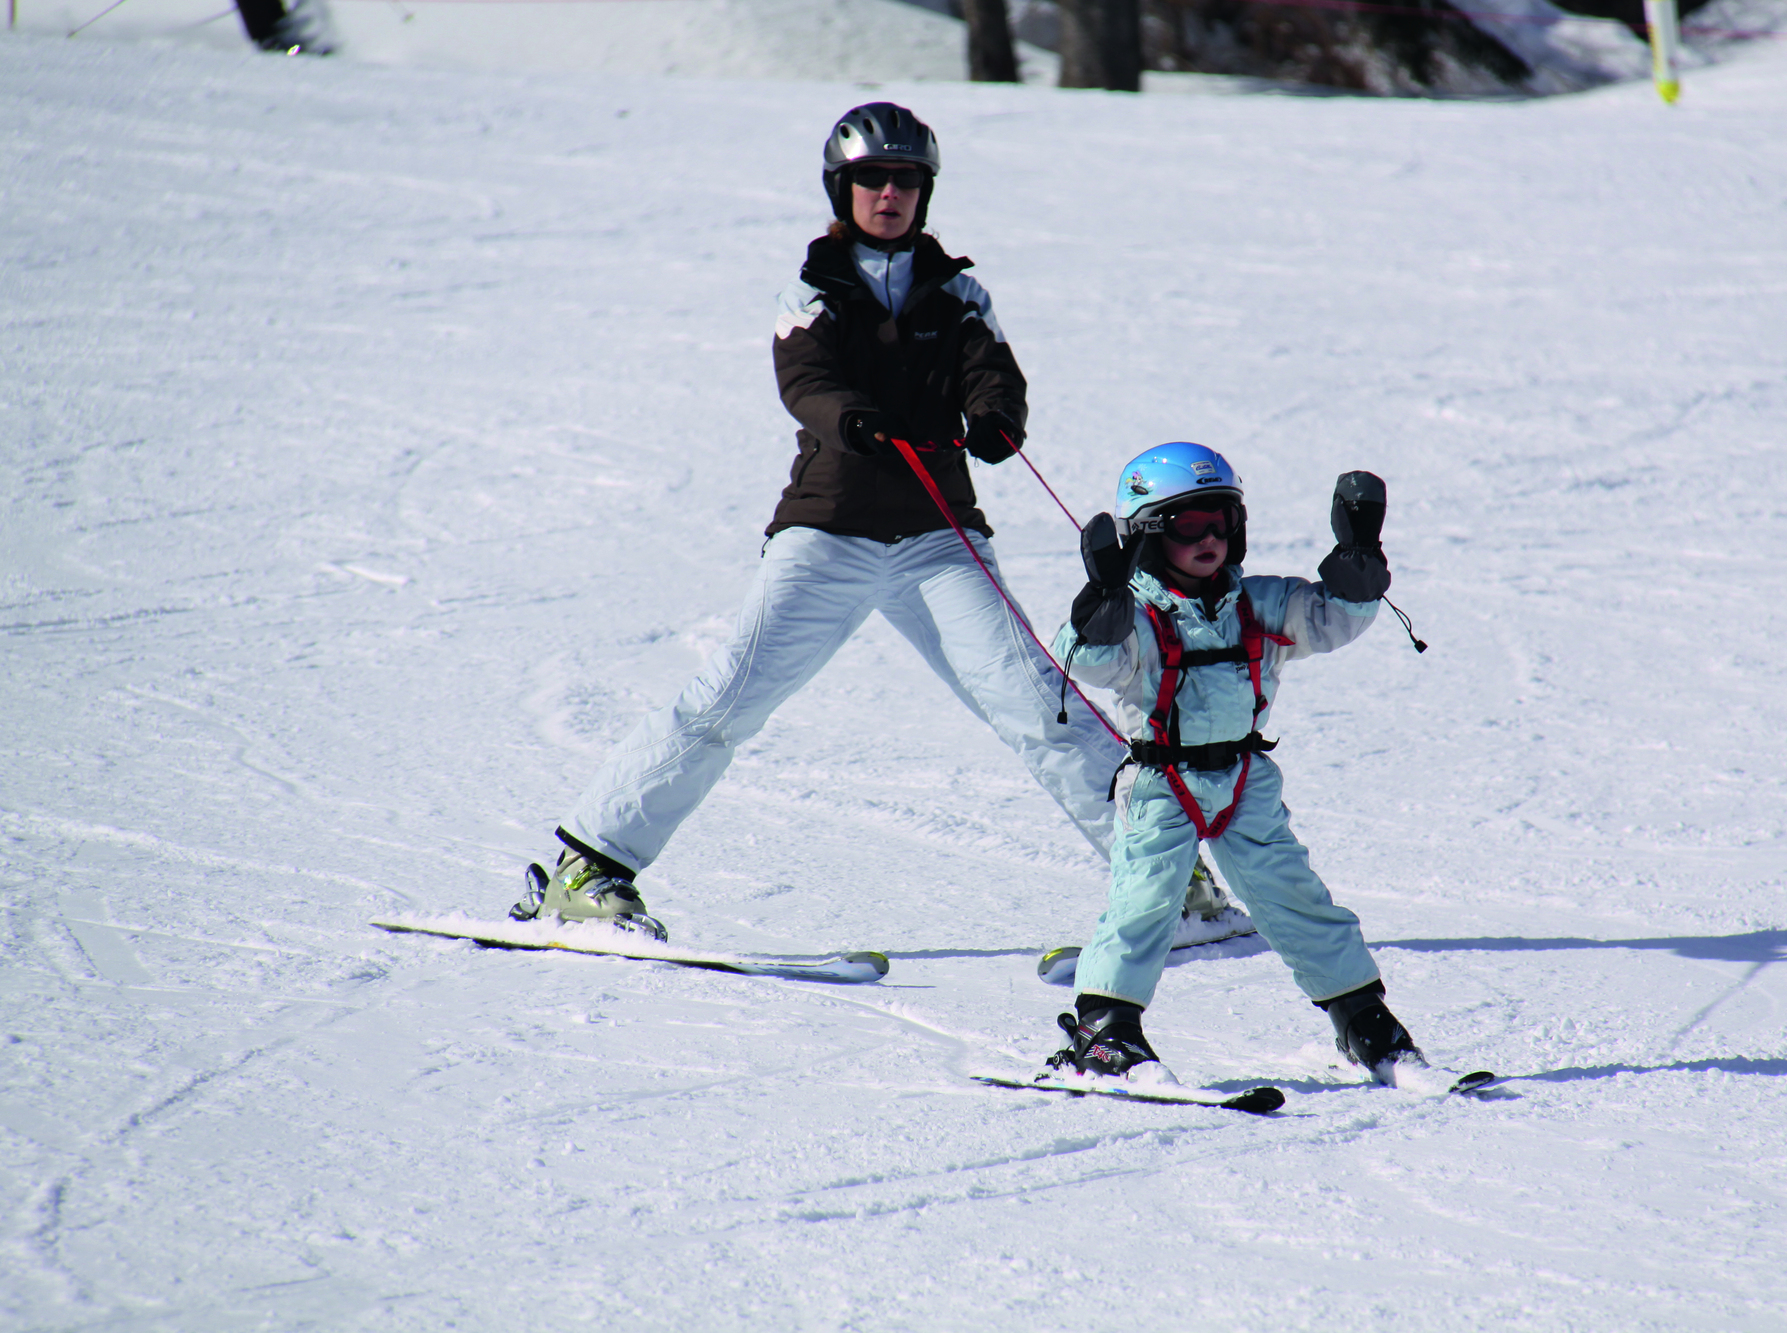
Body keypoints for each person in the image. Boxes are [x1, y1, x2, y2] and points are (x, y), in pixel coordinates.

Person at [509, 104, 1220, 937]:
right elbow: (805, 380)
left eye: (906, 181)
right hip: (828, 530)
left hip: (938, 538)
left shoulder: (959, 293)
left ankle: (1169, 882)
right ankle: (588, 866)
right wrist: (853, 419)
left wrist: (994, 419)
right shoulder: (811, 292)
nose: (890, 194)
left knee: (1040, 704)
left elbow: (993, 374)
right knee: (728, 699)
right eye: (872, 180)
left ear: (925, 193)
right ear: (841, 190)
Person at [1042, 443, 1426, 1085]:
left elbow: (1328, 618)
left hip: (1246, 779)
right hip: (1162, 781)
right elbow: (1081, 660)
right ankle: (1104, 1028)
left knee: (1290, 892)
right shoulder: (1137, 616)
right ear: (1145, 536)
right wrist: (1102, 600)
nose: (1210, 538)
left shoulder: (1261, 602)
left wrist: (1358, 566)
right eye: (1188, 525)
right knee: (1146, 899)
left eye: (1223, 520)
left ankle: (1362, 1017)